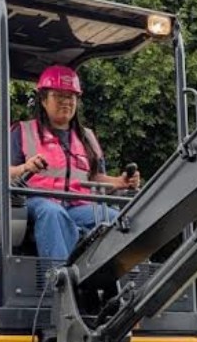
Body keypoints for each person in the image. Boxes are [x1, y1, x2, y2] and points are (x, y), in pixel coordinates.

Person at [8, 65, 140, 261]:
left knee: (119, 220)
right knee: (53, 214)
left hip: (79, 205)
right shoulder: (22, 131)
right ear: (44, 100)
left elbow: (94, 177)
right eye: (59, 96)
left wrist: (120, 182)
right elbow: (6, 172)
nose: (66, 102)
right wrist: (26, 167)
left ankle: (124, 283)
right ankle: (60, 283)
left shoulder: (86, 137)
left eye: (71, 97)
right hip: (36, 202)